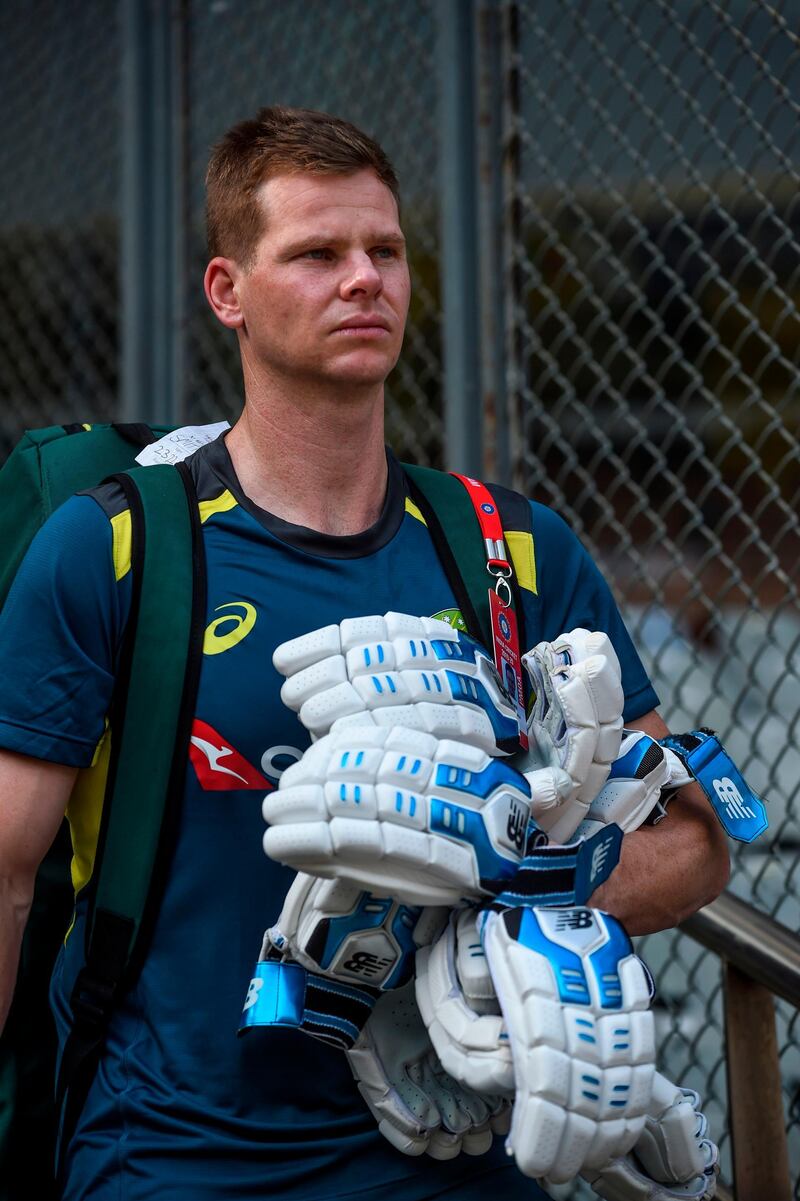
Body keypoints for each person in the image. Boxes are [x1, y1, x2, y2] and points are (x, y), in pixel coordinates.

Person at [0, 106, 729, 1201]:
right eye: (317, 253)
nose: (363, 280)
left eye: (383, 251)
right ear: (226, 292)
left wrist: (511, 890)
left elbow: (690, 838)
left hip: (457, 1157)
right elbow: (7, 873)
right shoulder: (115, 547)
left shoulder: (509, 549)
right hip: (178, 1157)